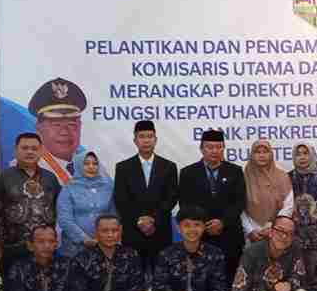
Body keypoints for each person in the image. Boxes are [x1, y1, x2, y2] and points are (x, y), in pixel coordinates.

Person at [0, 132, 61, 272]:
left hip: (45, 249)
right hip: (11, 248)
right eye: (25, 148)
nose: (30, 152)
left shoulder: (50, 178)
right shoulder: (2, 178)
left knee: (45, 284)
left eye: (34, 148)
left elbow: (59, 210)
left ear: (41, 151)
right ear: (16, 150)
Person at [178, 129, 246, 280]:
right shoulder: (188, 173)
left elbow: (239, 202)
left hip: (229, 234)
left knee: (230, 278)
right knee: (201, 279)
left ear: (223, 148)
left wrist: (222, 222)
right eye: (210, 147)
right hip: (200, 235)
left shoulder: (235, 171)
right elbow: (185, 204)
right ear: (201, 149)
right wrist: (204, 224)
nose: (214, 151)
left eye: (218, 147)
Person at [114, 120, 179, 273]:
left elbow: (171, 197)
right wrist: (140, 221)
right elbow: (121, 199)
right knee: (133, 277)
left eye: (150, 136)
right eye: (142, 136)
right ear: (135, 140)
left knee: (162, 277)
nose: (146, 140)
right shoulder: (123, 167)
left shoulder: (169, 166)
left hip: (160, 230)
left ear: (155, 140)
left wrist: (153, 219)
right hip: (133, 232)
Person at [21, 78, 87, 185]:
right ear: (39, 128)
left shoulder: (90, 165)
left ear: (80, 126)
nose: (64, 132)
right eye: (56, 125)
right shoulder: (27, 169)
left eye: (72, 124)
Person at [57, 151, 116, 258]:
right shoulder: (69, 188)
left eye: (95, 163)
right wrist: (83, 238)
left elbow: (113, 214)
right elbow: (64, 219)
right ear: (78, 165)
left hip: (104, 243)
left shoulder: (108, 186)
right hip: (74, 247)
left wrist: (108, 235)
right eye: (86, 163)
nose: (91, 167)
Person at [241, 139, 293, 245]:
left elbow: (288, 205)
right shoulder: (243, 178)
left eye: (265, 152)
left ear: (271, 154)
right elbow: (239, 208)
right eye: (258, 152)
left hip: (278, 231)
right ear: (252, 155)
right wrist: (251, 230)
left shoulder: (282, 177)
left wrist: (273, 228)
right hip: (252, 234)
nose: (262, 155)